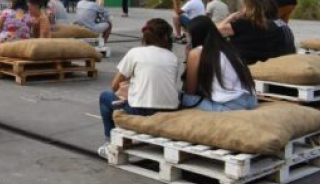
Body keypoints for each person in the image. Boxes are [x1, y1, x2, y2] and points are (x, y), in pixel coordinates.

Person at [97, 18, 179, 158]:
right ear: (166, 37)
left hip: (141, 110)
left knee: (105, 97)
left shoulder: (135, 52)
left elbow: (114, 85)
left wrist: (129, 90)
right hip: (168, 110)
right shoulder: (173, 57)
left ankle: (109, 142)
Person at [182, 17, 257, 111]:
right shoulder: (228, 47)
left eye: (188, 36)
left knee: (184, 98)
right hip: (250, 100)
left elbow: (190, 90)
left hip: (232, 106)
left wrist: (187, 57)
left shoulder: (196, 53)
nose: (187, 40)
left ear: (196, 35)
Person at [217, 0, 283, 64]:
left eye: (242, 7)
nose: (240, 10)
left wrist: (231, 17)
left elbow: (217, 31)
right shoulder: (264, 26)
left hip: (240, 59)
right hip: (256, 60)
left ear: (246, 9)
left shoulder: (241, 24)